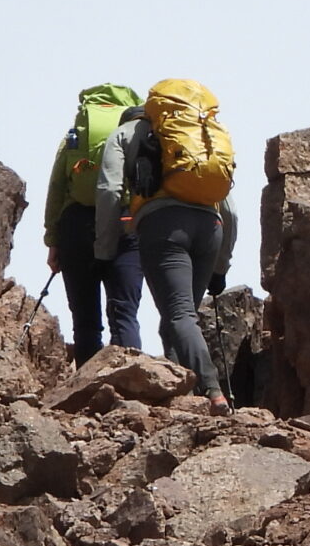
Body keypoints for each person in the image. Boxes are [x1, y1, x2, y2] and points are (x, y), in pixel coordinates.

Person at [95, 79, 238, 408]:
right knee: (178, 316)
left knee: (179, 315)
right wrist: (221, 265)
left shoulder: (129, 132)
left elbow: (108, 190)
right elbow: (230, 209)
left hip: (164, 226)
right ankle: (180, 395)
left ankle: (212, 392)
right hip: (210, 226)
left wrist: (104, 249)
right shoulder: (202, 136)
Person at [43, 83, 146, 366]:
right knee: (124, 312)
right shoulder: (137, 131)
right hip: (125, 221)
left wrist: (53, 240)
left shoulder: (76, 135)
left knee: (85, 319)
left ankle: (87, 392)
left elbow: (57, 187)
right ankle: (130, 382)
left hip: (76, 225)